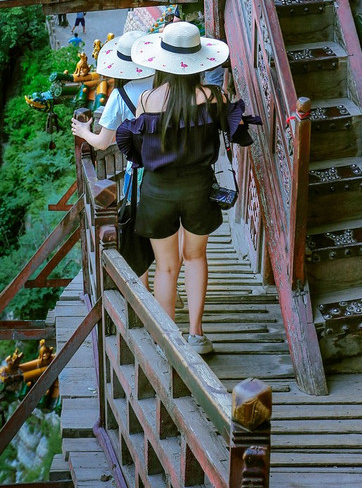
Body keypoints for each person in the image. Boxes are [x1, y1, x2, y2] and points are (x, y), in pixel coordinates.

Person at [115, 22, 253, 357]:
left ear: (162, 62)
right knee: (195, 257)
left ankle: (168, 340)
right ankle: (196, 334)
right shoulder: (214, 97)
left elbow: (133, 148)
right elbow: (238, 133)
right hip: (199, 191)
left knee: (165, 267)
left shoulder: (147, 99)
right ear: (198, 62)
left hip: (157, 192)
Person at [71, 33, 153, 287]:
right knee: (166, 231)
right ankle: (167, 284)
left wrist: (84, 132)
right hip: (168, 164)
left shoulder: (121, 96)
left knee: (139, 230)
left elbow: (103, 143)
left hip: (139, 172)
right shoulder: (158, 83)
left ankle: (145, 287)